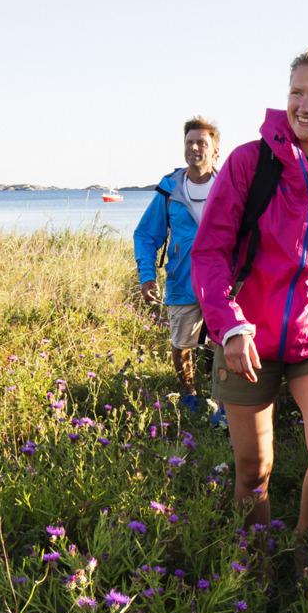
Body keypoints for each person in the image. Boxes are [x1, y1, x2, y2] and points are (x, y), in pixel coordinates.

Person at [192, 47, 308, 563]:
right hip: (246, 341)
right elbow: (209, 251)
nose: (303, 104)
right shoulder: (250, 164)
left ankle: (300, 556)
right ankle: (254, 569)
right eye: (296, 92)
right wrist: (230, 326)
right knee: (254, 469)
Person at [133, 118, 227, 426]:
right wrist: (147, 276)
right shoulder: (169, 188)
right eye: (190, 142)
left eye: (202, 143)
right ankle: (189, 397)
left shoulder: (229, 185)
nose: (195, 148)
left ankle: (222, 406)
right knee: (182, 342)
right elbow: (146, 235)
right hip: (181, 280)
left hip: (222, 283)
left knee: (225, 344)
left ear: (215, 151)